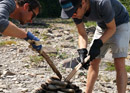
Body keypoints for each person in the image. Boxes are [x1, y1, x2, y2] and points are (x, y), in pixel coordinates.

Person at [59, 0, 130, 93]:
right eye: (69, 13)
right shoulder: (74, 10)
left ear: (83, 2)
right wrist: (82, 50)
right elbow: (82, 34)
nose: (73, 15)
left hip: (120, 24)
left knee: (119, 62)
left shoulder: (102, 3)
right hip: (102, 26)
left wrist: (98, 43)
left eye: (74, 12)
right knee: (93, 61)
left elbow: (112, 28)